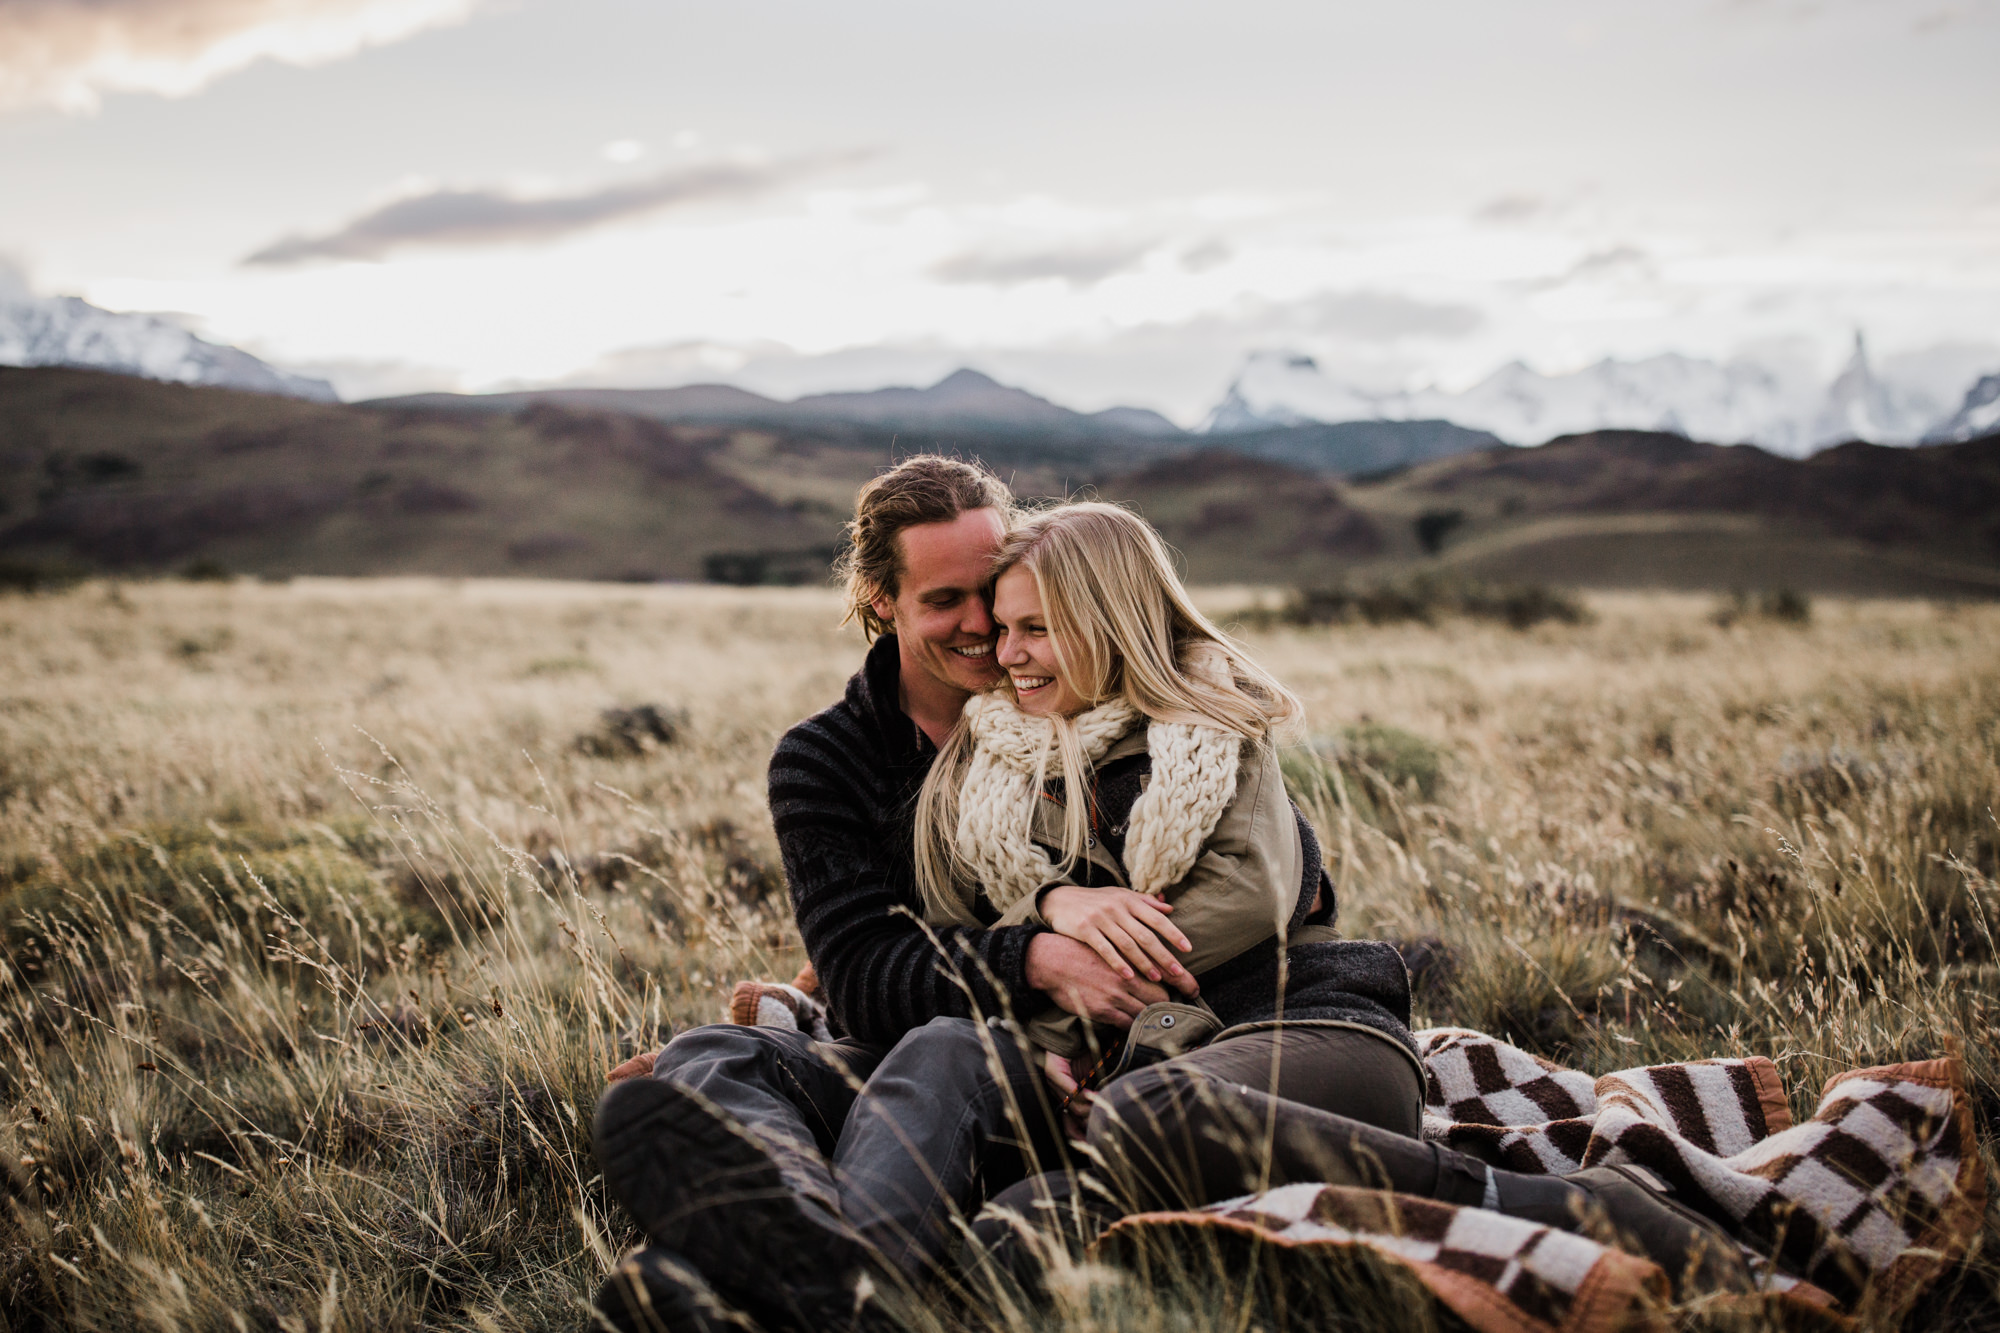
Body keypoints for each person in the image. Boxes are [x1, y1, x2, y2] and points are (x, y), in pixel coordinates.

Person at [591, 459, 1183, 1333]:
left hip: (1043, 1068)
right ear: (881, 601)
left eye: (993, 590)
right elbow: (863, 974)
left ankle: (782, 1293)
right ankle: (808, 1249)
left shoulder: (1087, 705)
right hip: (889, 1061)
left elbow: (1258, 867)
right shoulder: (826, 757)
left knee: (947, 1044)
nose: (984, 625)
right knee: (712, 1055)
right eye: (945, 600)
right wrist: (1038, 954)